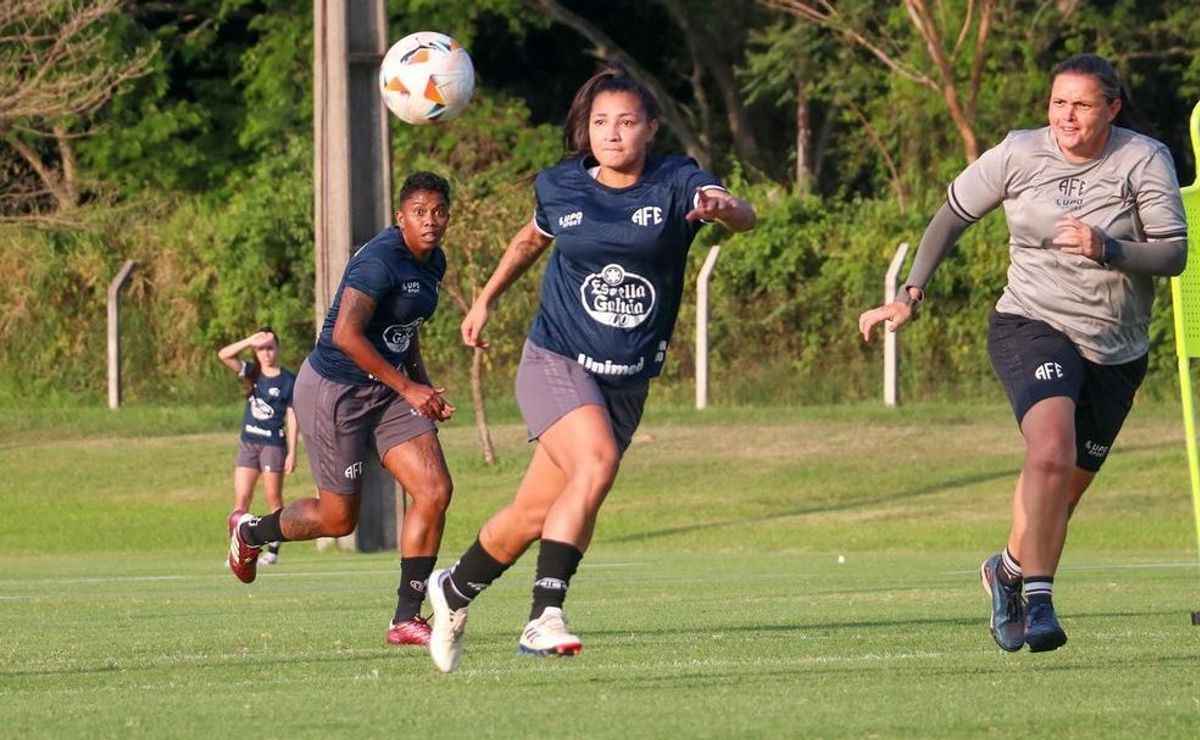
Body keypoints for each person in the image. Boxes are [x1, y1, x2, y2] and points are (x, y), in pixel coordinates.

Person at [424, 67, 757, 673]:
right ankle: (544, 617)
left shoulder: (678, 180)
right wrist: (485, 299)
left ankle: (453, 590)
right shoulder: (561, 187)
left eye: (627, 122)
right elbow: (529, 241)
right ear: (586, 127)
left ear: (650, 128)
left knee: (531, 514)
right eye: (601, 122)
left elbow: (743, 217)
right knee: (596, 463)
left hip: (625, 378)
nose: (612, 133)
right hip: (555, 358)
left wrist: (728, 208)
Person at [858, 53, 1188, 653]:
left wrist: (1108, 248)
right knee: (1050, 451)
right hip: (1030, 322)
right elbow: (951, 216)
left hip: (1116, 348)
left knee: (1062, 490)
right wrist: (910, 293)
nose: (1067, 115)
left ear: (1112, 108)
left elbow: (1172, 255)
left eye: (1083, 104)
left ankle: (1005, 571)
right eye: (1059, 102)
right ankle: (1039, 600)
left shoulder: (1144, 159)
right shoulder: (1017, 152)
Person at [226, 171, 458, 648]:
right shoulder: (379, 260)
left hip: (389, 391)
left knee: (434, 490)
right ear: (401, 217)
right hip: (337, 390)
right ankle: (252, 533)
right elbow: (345, 336)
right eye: (419, 212)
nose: (430, 221)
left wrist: (422, 386)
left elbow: (406, 327)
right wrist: (409, 388)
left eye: (438, 211)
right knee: (337, 519)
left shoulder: (434, 262)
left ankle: (405, 619)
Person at [218, 327, 297, 566]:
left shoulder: (287, 380)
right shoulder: (252, 373)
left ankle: (272, 551)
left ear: (278, 349)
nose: (266, 353)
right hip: (249, 443)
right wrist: (249, 340)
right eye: (261, 348)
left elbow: (293, 417)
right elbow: (224, 355)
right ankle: (237, 553)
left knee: (273, 498)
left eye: (270, 347)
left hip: (273, 445)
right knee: (241, 499)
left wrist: (292, 452)